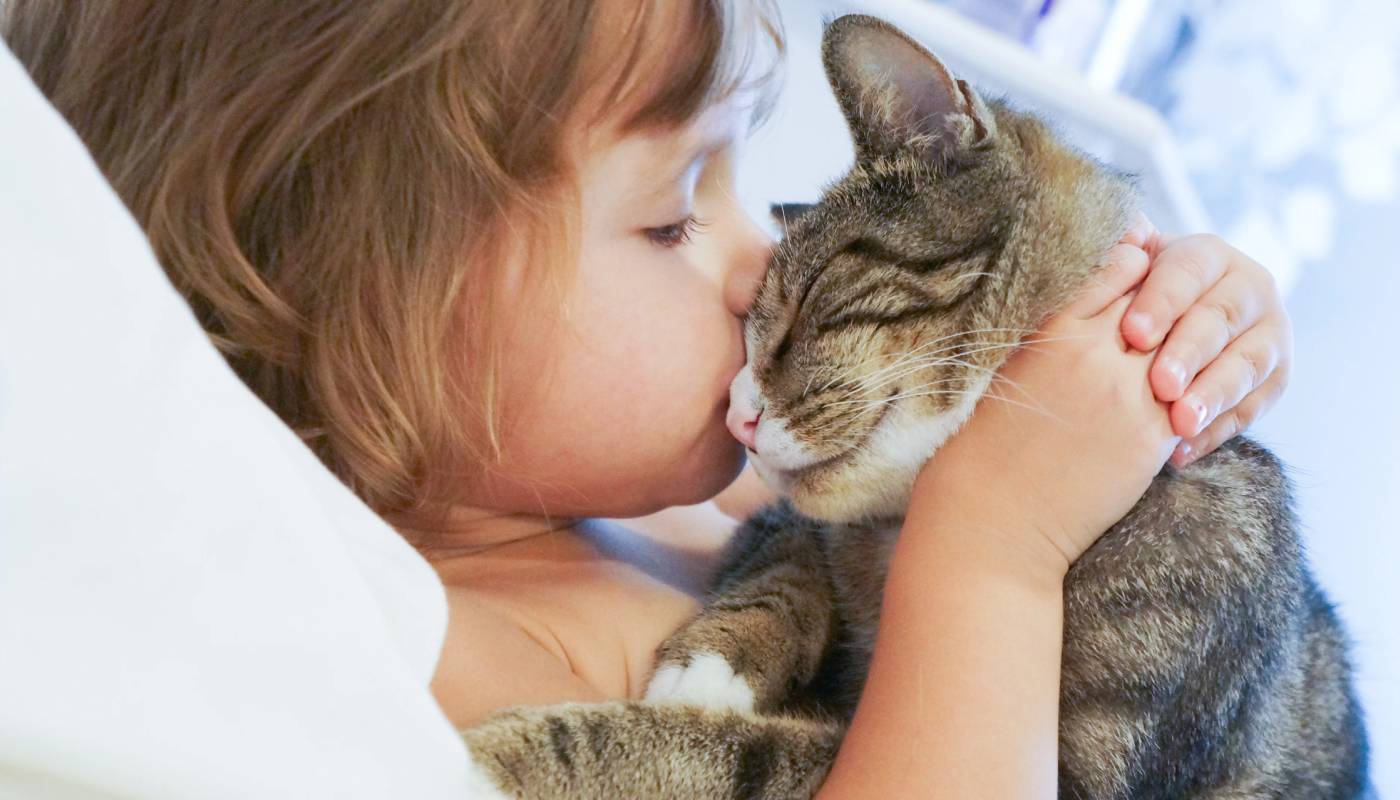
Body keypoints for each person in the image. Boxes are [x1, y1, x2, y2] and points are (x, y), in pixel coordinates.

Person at [1, 0, 1292, 795]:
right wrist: (993, 554)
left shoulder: (695, 496)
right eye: (675, 217)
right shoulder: (477, 648)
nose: (764, 263)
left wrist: (1182, 326)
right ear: (377, 298)